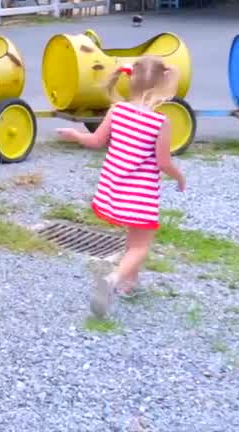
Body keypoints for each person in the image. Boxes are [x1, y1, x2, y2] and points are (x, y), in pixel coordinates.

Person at [56, 56, 186, 318]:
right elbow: (163, 163)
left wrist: (75, 135)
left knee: (132, 239)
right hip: (141, 195)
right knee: (140, 246)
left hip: (115, 189)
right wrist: (180, 177)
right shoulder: (160, 122)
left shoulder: (118, 111)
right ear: (162, 84)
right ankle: (114, 280)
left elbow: (95, 141)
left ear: (131, 81)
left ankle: (129, 284)